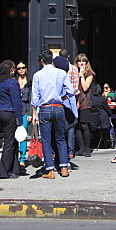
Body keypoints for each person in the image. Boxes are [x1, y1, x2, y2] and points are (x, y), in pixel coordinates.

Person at [31, 48, 75, 179]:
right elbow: (71, 91)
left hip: (45, 107)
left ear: (42, 61)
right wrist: (62, 98)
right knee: (61, 138)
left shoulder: (38, 75)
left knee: (46, 140)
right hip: (58, 107)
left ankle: (50, 170)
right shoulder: (61, 73)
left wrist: (34, 112)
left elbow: (35, 96)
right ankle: (64, 167)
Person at [0, 60, 23, 179]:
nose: (15, 70)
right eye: (14, 68)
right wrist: (19, 121)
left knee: (12, 141)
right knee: (9, 142)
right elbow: (17, 103)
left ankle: (15, 168)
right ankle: (4, 171)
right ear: (10, 69)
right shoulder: (12, 83)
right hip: (8, 113)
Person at [73, 54, 96, 156]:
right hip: (75, 101)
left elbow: (85, 87)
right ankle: (81, 148)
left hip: (85, 101)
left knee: (84, 124)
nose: (81, 63)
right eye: (79, 61)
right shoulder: (74, 73)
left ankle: (87, 148)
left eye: (83, 61)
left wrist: (81, 75)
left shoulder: (89, 74)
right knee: (76, 125)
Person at [15, 62, 31, 166]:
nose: (21, 70)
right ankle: (15, 156)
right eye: (19, 68)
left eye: (23, 68)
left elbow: (32, 98)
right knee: (15, 134)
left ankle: (22, 158)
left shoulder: (30, 82)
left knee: (23, 135)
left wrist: (31, 113)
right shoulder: (14, 82)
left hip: (25, 109)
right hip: (16, 110)